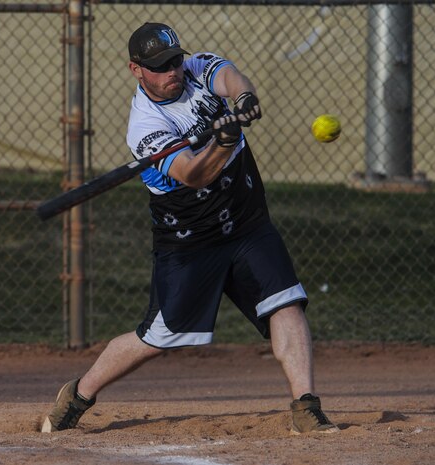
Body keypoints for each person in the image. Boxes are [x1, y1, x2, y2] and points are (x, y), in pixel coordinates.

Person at [41, 22, 339, 436]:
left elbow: (231, 76)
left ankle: (306, 407)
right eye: (161, 67)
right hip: (190, 241)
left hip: (247, 221)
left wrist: (244, 98)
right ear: (135, 70)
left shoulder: (195, 68)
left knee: (285, 302)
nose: (173, 72)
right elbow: (193, 174)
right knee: (159, 336)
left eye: (175, 61)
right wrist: (221, 141)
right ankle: (79, 393)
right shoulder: (145, 126)